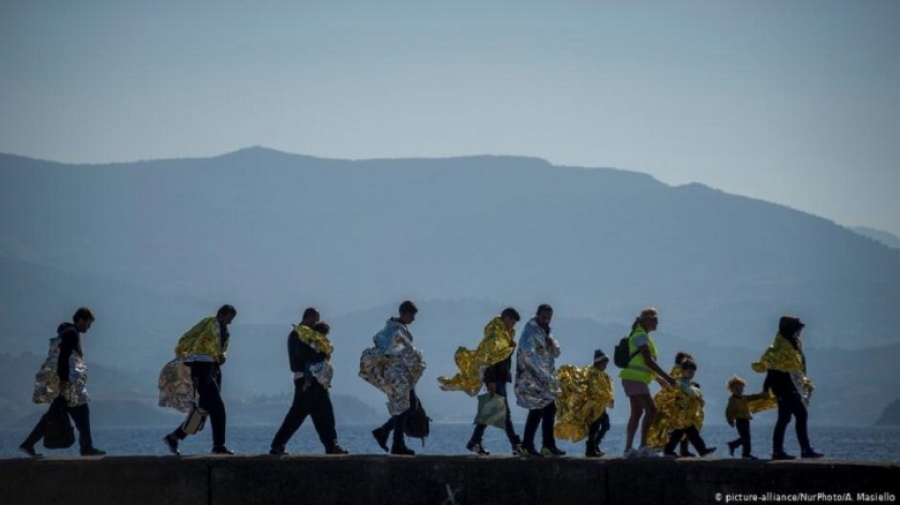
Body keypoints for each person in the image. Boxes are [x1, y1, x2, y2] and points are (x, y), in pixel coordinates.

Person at [20, 307, 105, 457]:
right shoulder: (72, 334)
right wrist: (64, 383)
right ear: (81, 320)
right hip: (67, 385)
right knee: (81, 413)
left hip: (65, 384)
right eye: (88, 323)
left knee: (54, 416)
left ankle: (28, 444)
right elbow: (63, 359)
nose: (89, 327)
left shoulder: (68, 333)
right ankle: (86, 448)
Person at [438, 308, 523, 456]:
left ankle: (475, 441)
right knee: (504, 414)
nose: (513, 325)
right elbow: (487, 360)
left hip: (500, 379)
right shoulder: (495, 336)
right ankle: (515, 444)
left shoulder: (504, 335)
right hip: (495, 380)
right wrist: (490, 380)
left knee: (491, 412)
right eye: (512, 322)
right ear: (506, 318)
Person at [270, 308, 348, 455]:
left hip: (316, 381)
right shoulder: (299, 334)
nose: (316, 323)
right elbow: (307, 357)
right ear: (310, 317)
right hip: (306, 381)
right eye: (316, 319)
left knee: (325, 414)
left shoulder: (304, 335)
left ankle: (331, 445)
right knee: (297, 415)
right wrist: (324, 353)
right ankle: (277, 444)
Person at [163, 304, 236, 455]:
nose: (230, 322)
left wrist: (221, 358)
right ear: (222, 315)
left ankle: (174, 437)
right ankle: (218, 445)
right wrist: (196, 375)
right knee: (218, 410)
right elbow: (200, 350)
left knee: (202, 411)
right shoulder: (210, 325)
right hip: (203, 373)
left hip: (213, 372)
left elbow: (218, 352)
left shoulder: (223, 330)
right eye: (229, 318)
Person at [752, 315, 823, 460]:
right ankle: (805, 449)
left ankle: (778, 451)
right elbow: (771, 370)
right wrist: (765, 389)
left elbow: (798, 370)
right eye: (797, 330)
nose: (799, 333)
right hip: (784, 388)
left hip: (789, 388)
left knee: (784, 418)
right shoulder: (779, 349)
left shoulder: (793, 345)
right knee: (801, 415)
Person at [360, 301, 426, 455]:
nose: (413, 319)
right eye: (411, 315)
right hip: (397, 375)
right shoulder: (395, 330)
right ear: (403, 313)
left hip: (401, 374)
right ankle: (396, 442)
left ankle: (385, 432)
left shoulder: (395, 328)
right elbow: (392, 350)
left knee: (409, 406)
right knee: (405, 406)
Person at [618, 307, 676, 458]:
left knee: (637, 413)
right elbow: (648, 360)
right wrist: (667, 377)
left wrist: (658, 378)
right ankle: (643, 446)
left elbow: (644, 364)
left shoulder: (644, 336)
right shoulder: (640, 335)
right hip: (634, 378)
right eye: (654, 319)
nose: (657, 322)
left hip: (636, 379)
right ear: (645, 320)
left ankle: (628, 449)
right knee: (651, 409)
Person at [514, 304, 564, 457]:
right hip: (533, 379)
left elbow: (556, 353)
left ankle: (546, 445)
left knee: (548, 410)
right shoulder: (530, 332)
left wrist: (551, 344)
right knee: (537, 411)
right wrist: (543, 376)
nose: (546, 320)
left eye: (548, 318)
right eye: (543, 317)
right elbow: (529, 356)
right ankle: (529, 445)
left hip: (546, 379)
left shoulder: (546, 332)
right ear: (537, 315)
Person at [554, 349, 615, 458]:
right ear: (598, 363)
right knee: (595, 427)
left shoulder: (603, 375)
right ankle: (590, 448)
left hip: (601, 406)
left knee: (605, 426)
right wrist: (605, 396)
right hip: (593, 407)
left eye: (606, 363)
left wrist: (609, 398)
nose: (605, 366)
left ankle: (595, 445)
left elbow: (607, 388)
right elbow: (593, 389)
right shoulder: (592, 373)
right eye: (603, 363)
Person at [647, 352, 699, 456]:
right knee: (680, 428)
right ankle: (675, 450)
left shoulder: (678, 371)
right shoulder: (678, 371)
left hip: (679, 405)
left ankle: (680, 450)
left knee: (683, 428)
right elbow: (677, 388)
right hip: (674, 406)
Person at [661, 359, 716, 457]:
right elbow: (689, 392)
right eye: (689, 371)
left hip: (686, 415)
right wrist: (696, 397)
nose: (691, 373)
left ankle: (701, 450)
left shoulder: (688, 383)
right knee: (685, 433)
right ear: (683, 371)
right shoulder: (680, 382)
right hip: (681, 414)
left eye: (693, 371)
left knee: (684, 433)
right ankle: (701, 450)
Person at [725, 375, 775, 460]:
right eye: (737, 389)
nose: (739, 391)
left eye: (741, 389)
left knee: (746, 438)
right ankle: (739, 449)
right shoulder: (732, 401)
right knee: (746, 438)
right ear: (732, 390)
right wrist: (730, 421)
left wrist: (761, 395)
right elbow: (728, 412)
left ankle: (744, 453)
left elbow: (753, 397)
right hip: (739, 421)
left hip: (746, 420)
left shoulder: (744, 397)